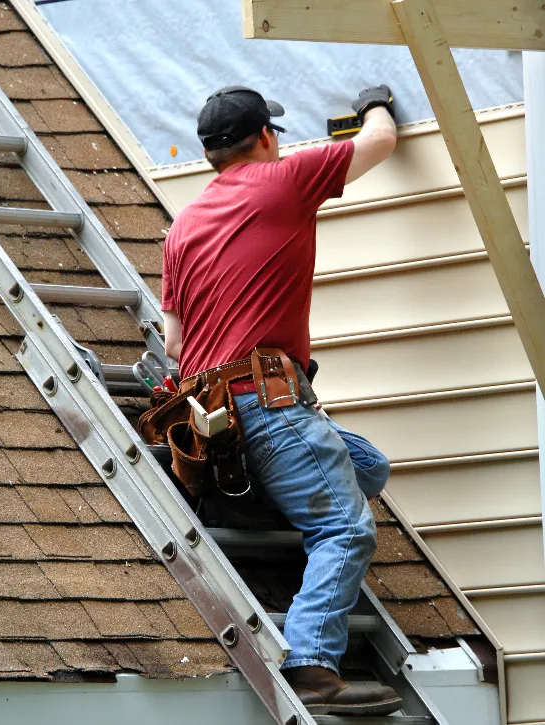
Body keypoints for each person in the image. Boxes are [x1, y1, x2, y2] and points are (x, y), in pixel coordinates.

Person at [161, 85, 400, 715]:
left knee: (368, 465)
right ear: (265, 136)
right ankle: (314, 664)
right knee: (346, 528)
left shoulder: (183, 223)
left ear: (210, 153)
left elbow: (173, 337)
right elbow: (380, 142)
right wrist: (376, 101)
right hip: (269, 404)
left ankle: (254, 497)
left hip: (214, 417)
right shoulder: (285, 178)